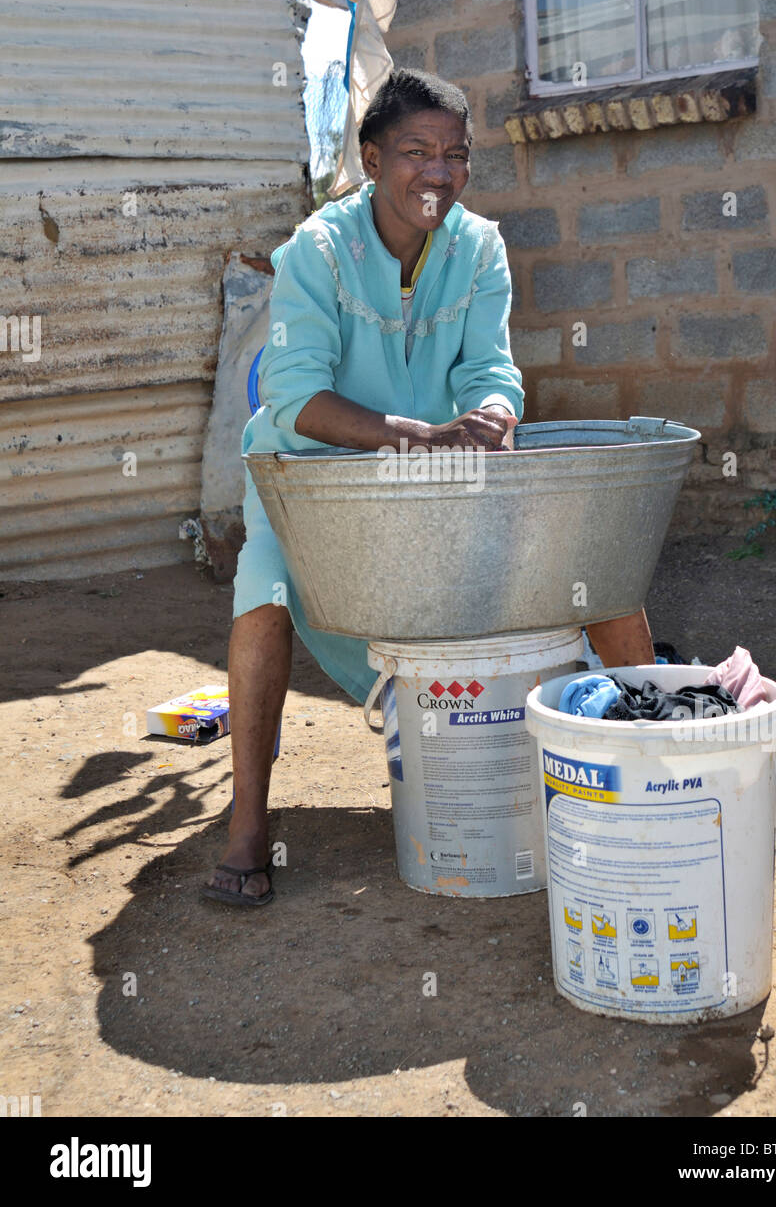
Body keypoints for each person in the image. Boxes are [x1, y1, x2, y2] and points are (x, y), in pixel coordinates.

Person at [202, 68, 655, 907]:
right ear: (372, 161)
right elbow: (295, 398)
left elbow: (492, 369)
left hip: (443, 476)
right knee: (261, 595)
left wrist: (489, 413)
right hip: (311, 482)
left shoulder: (479, 247)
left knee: (594, 563)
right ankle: (248, 825)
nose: (437, 174)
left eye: (455, 156)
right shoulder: (316, 252)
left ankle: (657, 765)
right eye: (415, 152)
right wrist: (417, 435)